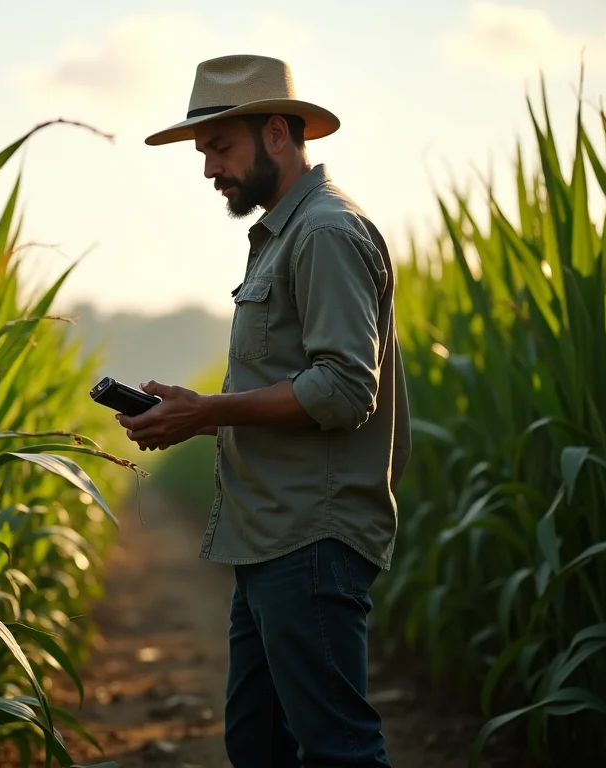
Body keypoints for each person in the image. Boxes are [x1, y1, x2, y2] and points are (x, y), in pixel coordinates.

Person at [116, 54, 412, 767]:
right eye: (204, 151)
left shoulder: (325, 234)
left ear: (276, 133)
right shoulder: (287, 235)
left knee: (337, 748)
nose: (209, 168)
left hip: (310, 536)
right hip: (272, 537)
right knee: (258, 742)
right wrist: (200, 411)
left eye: (220, 146)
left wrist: (206, 412)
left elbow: (344, 387)